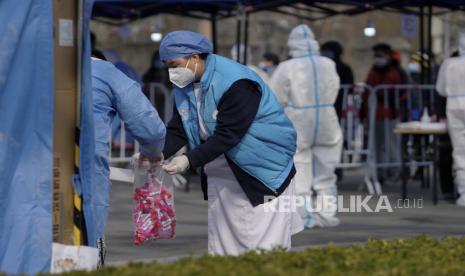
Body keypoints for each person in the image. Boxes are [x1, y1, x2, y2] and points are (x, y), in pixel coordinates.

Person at [159, 30, 303, 256]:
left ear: (195, 57)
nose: (171, 72)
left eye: (174, 64)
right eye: (167, 66)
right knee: (225, 248)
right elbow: (181, 126)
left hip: (262, 169)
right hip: (224, 168)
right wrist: (156, 153)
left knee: (264, 248)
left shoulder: (237, 82)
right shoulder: (186, 83)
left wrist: (188, 160)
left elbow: (229, 134)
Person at [90, 55, 166, 263]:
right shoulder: (105, 73)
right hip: (85, 186)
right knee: (85, 254)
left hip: (19, 184)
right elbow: (149, 128)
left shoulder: (20, 65)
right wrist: (152, 153)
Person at [270, 24, 342, 228]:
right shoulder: (328, 63)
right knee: (326, 171)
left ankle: (304, 217)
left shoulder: (286, 67)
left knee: (300, 169)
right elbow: (334, 87)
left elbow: (275, 96)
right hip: (327, 117)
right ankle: (327, 216)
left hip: (298, 119)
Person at [363, 43, 407, 182]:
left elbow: (393, 92)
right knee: (376, 145)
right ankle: (379, 172)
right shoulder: (373, 72)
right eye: (376, 56)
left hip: (390, 114)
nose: (378, 59)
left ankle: (396, 171)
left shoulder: (394, 72)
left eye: (381, 56)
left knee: (392, 145)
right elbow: (368, 90)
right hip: (374, 114)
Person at [435, 32, 465, 207]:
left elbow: (441, 89)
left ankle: (463, 191)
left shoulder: (449, 64)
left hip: (453, 105)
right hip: (455, 103)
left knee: (460, 150)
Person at [321, 41, 354, 118]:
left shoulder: (344, 69)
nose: (326, 54)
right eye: (324, 51)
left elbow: (349, 87)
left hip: (338, 102)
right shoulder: (319, 68)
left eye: (329, 51)